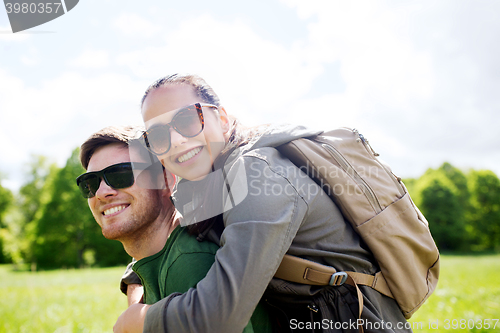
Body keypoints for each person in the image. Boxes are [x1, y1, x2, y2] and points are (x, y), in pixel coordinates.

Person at [115, 74, 412, 333]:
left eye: (187, 120)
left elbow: (219, 317)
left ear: (221, 118)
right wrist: (136, 280)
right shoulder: (205, 184)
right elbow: (171, 236)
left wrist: (141, 320)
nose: (176, 140)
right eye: (157, 135)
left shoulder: (258, 174)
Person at [77, 126, 274, 333]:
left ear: (166, 181)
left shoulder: (190, 261)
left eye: (122, 174)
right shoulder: (160, 256)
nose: (101, 192)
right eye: (90, 183)